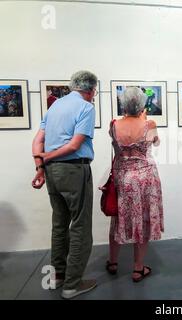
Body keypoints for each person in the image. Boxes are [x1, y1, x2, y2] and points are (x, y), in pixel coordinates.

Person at [31, 70, 98, 299]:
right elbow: (74, 145)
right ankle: (72, 285)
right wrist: (47, 157)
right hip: (73, 170)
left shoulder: (55, 105)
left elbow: (37, 140)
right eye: (94, 92)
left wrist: (41, 166)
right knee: (80, 226)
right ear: (91, 90)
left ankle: (57, 276)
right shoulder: (86, 107)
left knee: (59, 223)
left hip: (51, 173)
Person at [106, 87, 164, 282]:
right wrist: (143, 120)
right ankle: (138, 268)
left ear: (123, 104)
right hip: (145, 177)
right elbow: (155, 143)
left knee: (118, 218)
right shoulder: (149, 124)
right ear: (142, 105)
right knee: (143, 219)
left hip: (123, 177)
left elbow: (115, 142)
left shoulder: (114, 125)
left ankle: (113, 262)